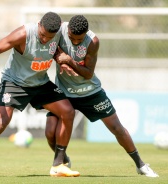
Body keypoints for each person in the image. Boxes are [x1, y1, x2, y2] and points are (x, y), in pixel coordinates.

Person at [45, 15, 159, 177]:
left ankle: (140, 165)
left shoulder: (93, 41)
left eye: (79, 39)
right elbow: (51, 48)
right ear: (67, 30)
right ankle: (62, 160)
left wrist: (69, 61)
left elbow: (88, 74)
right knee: (50, 132)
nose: (76, 42)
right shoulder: (59, 31)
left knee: (116, 128)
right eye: (72, 38)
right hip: (63, 92)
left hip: (90, 92)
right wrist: (59, 59)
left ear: (86, 33)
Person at [0, 12, 80, 177]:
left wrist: (63, 60)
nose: (45, 39)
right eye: (42, 35)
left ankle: (58, 163)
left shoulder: (58, 32)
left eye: (49, 37)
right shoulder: (23, 34)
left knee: (67, 111)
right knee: (0, 123)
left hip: (40, 83)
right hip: (14, 83)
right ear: (39, 25)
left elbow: (56, 49)